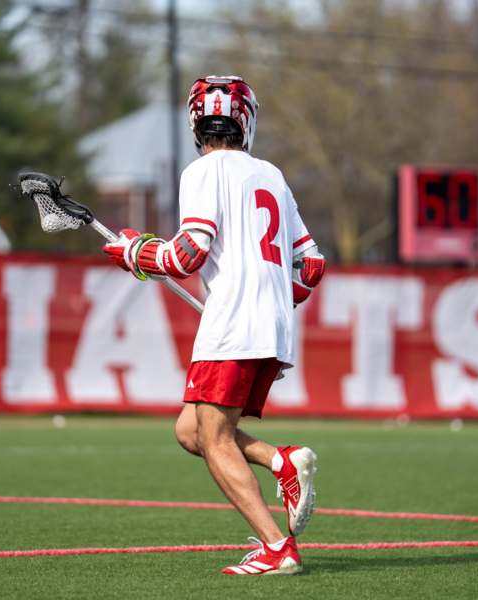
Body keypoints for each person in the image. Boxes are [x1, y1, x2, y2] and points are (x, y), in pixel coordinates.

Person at [104, 75, 326, 575]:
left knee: (215, 438)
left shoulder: (201, 172)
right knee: (192, 431)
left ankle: (276, 547)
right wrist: (270, 305)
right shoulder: (271, 174)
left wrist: (136, 253)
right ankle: (280, 461)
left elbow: (188, 254)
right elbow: (311, 266)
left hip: (232, 324)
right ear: (246, 121)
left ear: (195, 122)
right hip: (271, 325)